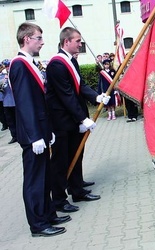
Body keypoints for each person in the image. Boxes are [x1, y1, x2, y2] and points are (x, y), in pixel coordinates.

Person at [9, 22, 70, 237]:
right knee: (35, 180)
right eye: (38, 38)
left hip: (42, 131)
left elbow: (39, 101)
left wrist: (48, 130)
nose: (42, 42)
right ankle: (38, 224)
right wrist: (35, 136)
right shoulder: (19, 64)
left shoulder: (30, 63)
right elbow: (25, 103)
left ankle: (48, 214)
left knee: (44, 177)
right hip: (33, 135)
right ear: (26, 39)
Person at [46, 27, 110, 213]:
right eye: (77, 41)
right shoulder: (56, 64)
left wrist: (96, 97)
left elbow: (80, 85)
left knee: (76, 153)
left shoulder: (71, 60)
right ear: (66, 42)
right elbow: (66, 95)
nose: (80, 44)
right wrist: (83, 118)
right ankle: (59, 199)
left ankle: (77, 189)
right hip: (61, 121)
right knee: (61, 161)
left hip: (72, 119)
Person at [0, 59, 17, 143]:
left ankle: (20, 135)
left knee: (18, 120)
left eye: (8, 66)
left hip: (15, 101)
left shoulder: (14, 74)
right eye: (6, 66)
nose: (7, 68)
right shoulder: (2, 76)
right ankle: (14, 136)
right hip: (6, 102)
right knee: (10, 121)